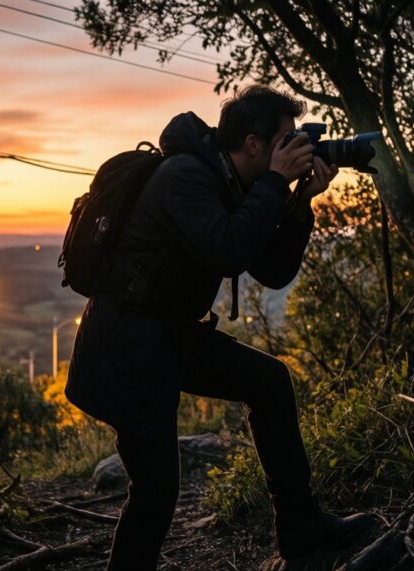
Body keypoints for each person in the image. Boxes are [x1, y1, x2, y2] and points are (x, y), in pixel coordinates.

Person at [65, 85, 375, 569]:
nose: (296, 148)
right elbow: (228, 248)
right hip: (127, 344)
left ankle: (302, 529)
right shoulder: (185, 176)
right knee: (157, 490)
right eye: (286, 140)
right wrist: (275, 184)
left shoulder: (238, 182)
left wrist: (299, 203)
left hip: (172, 334)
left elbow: (272, 270)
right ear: (254, 144)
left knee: (269, 382)